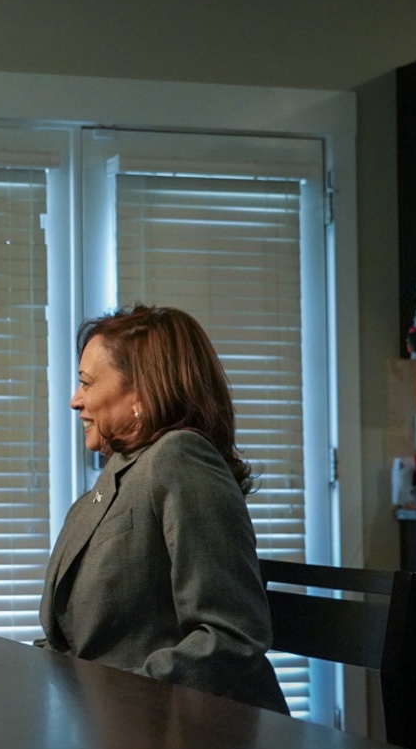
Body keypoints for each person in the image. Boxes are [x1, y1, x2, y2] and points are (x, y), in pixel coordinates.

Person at [38, 304, 288, 713]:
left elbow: (231, 634)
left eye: (86, 383)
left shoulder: (180, 457)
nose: (75, 401)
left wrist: (121, 700)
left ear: (140, 391)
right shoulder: (123, 468)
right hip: (115, 727)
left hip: (197, 739)